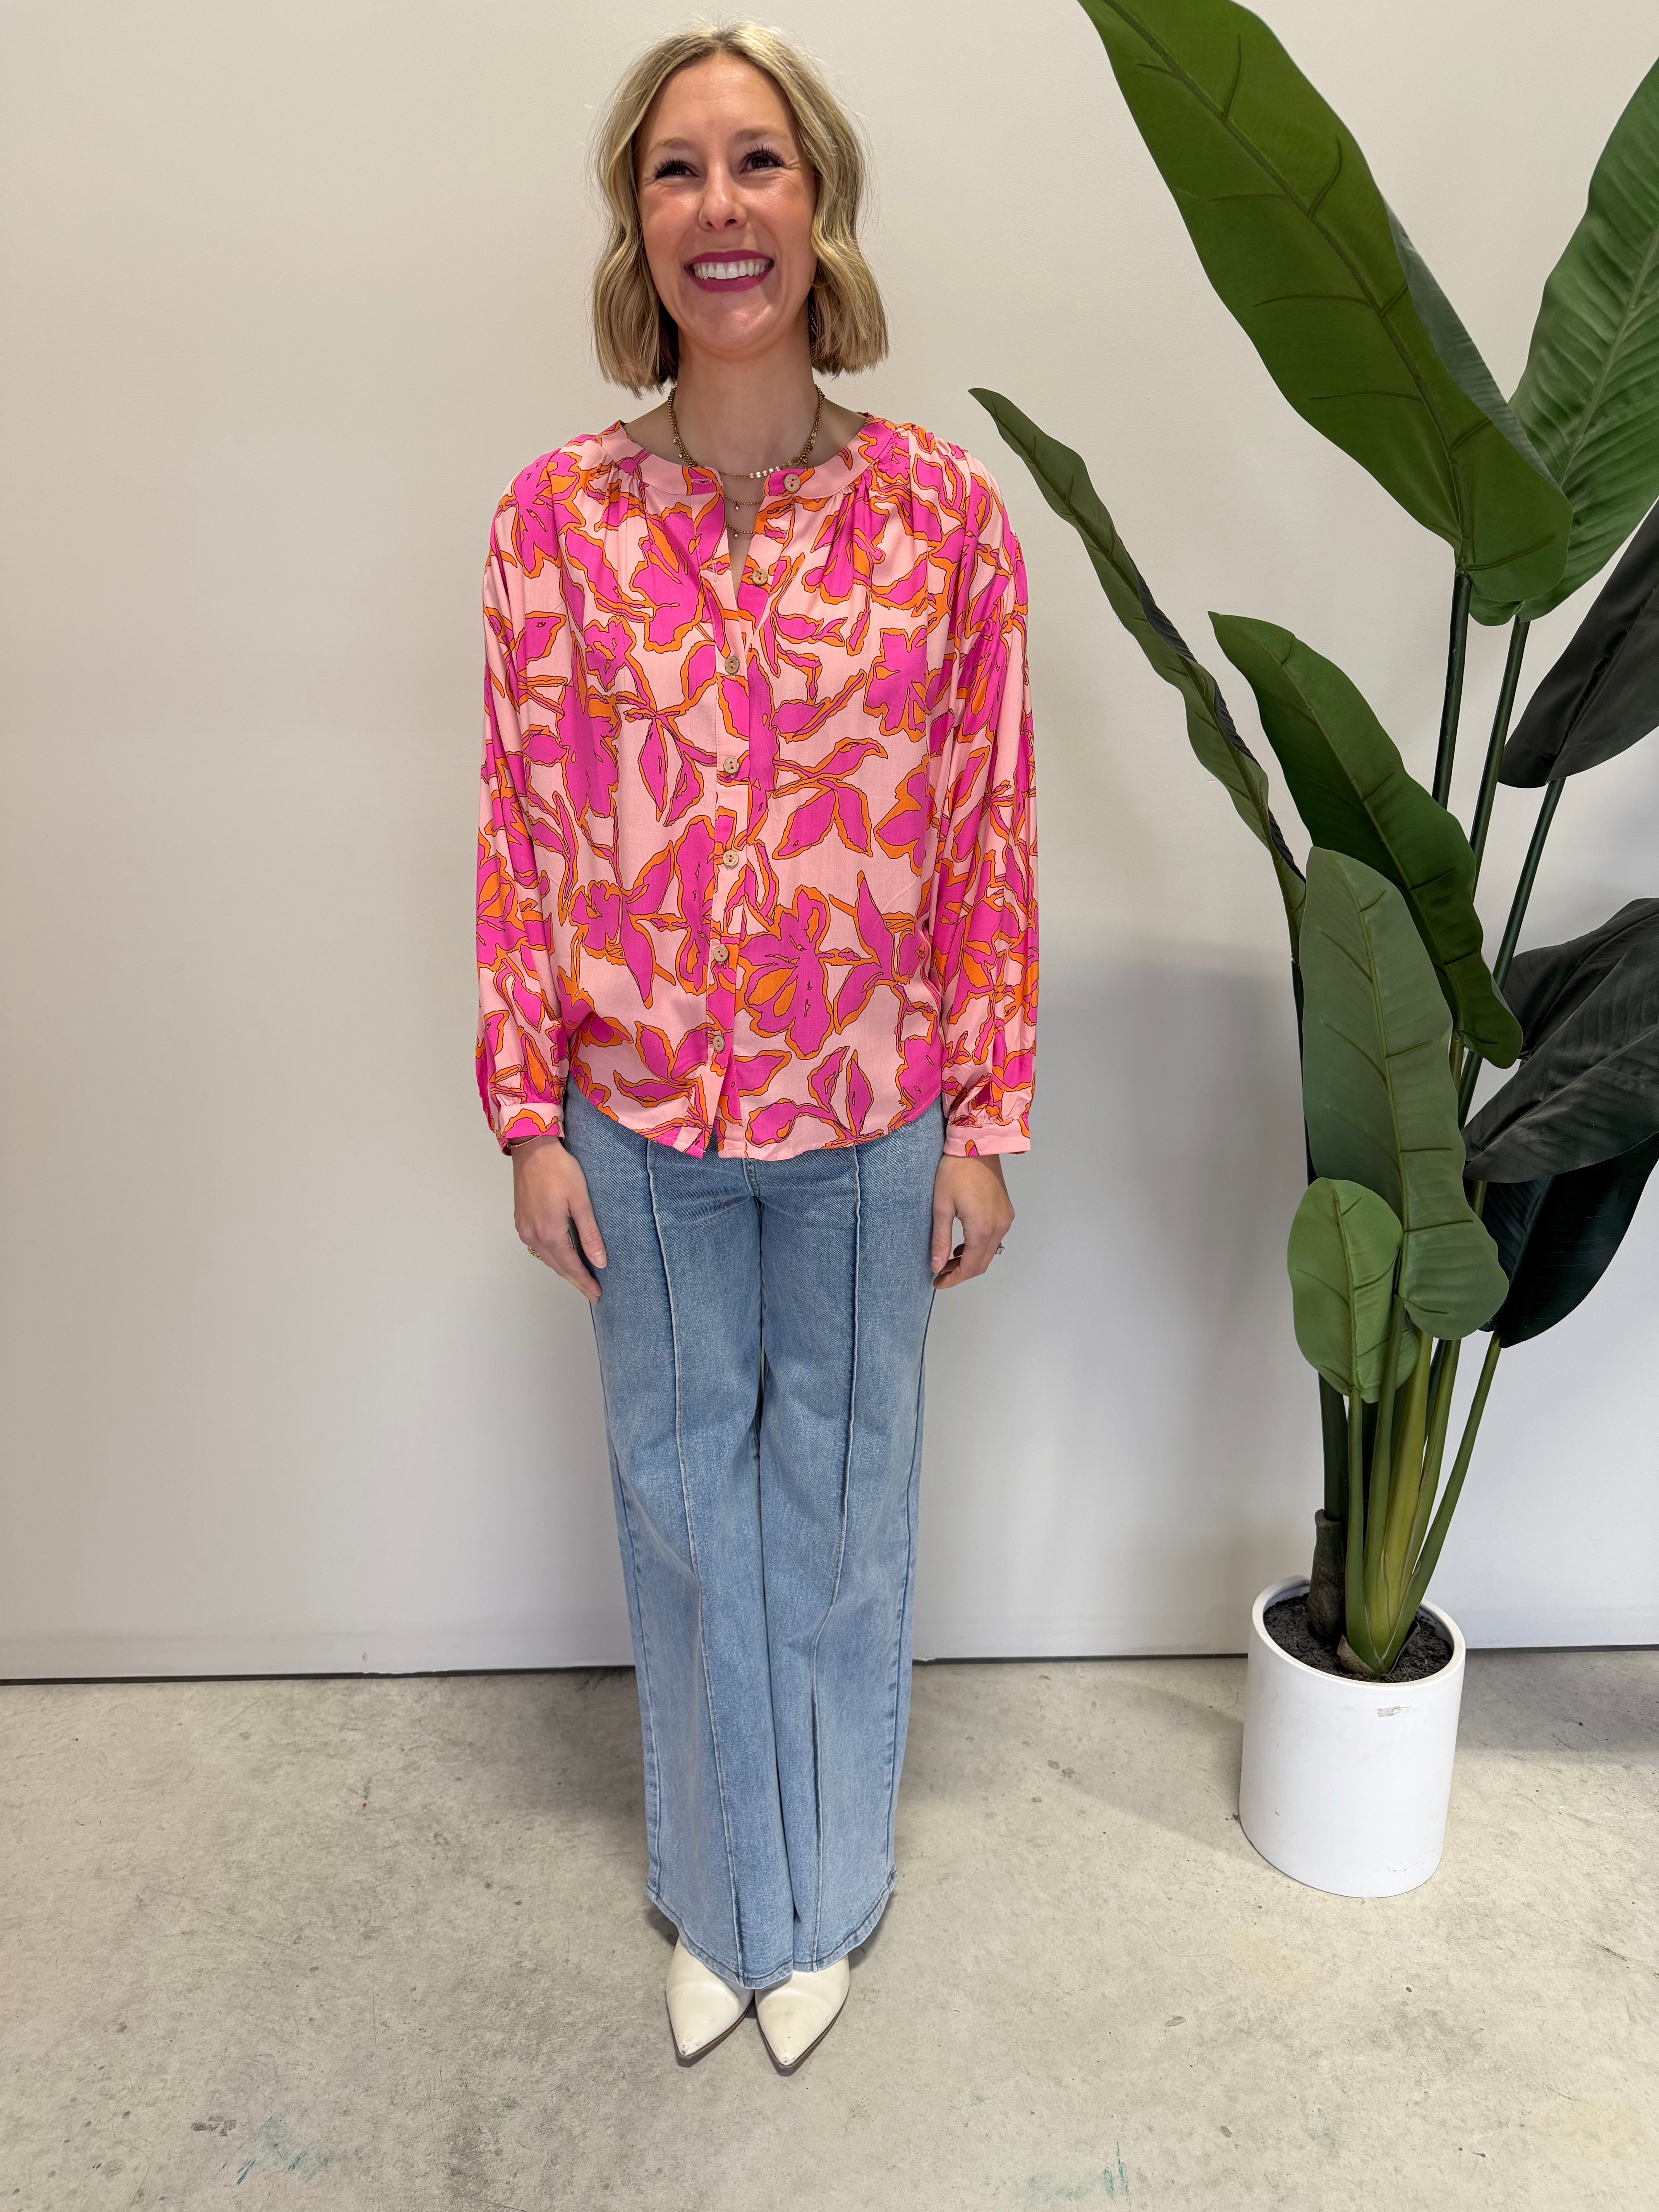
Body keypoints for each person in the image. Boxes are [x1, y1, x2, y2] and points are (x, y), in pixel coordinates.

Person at [474, 20, 1037, 2074]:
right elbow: (523, 823)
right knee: (688, 1513)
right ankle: (727, 1904)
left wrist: (987, 1114)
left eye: (760, 162)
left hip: (875, 1117)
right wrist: (526, 1110)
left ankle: (828, 1900)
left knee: (844, 1509)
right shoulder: (554, 520)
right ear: (638, 221)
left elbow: (984, 826)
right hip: (638, 1124)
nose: (723, 207)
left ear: (821, 206)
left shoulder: (944, 518)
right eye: (679, 169)